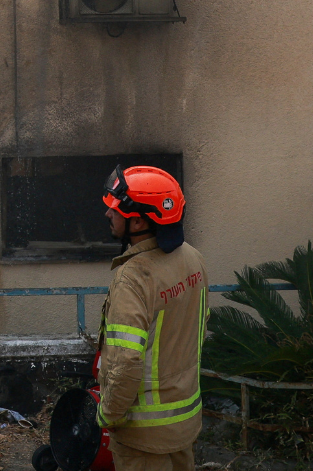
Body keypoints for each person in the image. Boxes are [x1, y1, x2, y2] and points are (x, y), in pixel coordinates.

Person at [96, 165, 209, 471]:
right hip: (183, 423)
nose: (108, 214)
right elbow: (197, 330)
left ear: (138, 221)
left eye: (116, 209)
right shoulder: (193, 259)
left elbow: (126, 363)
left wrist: (107, 415)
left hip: (143, 437)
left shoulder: (132, 279)